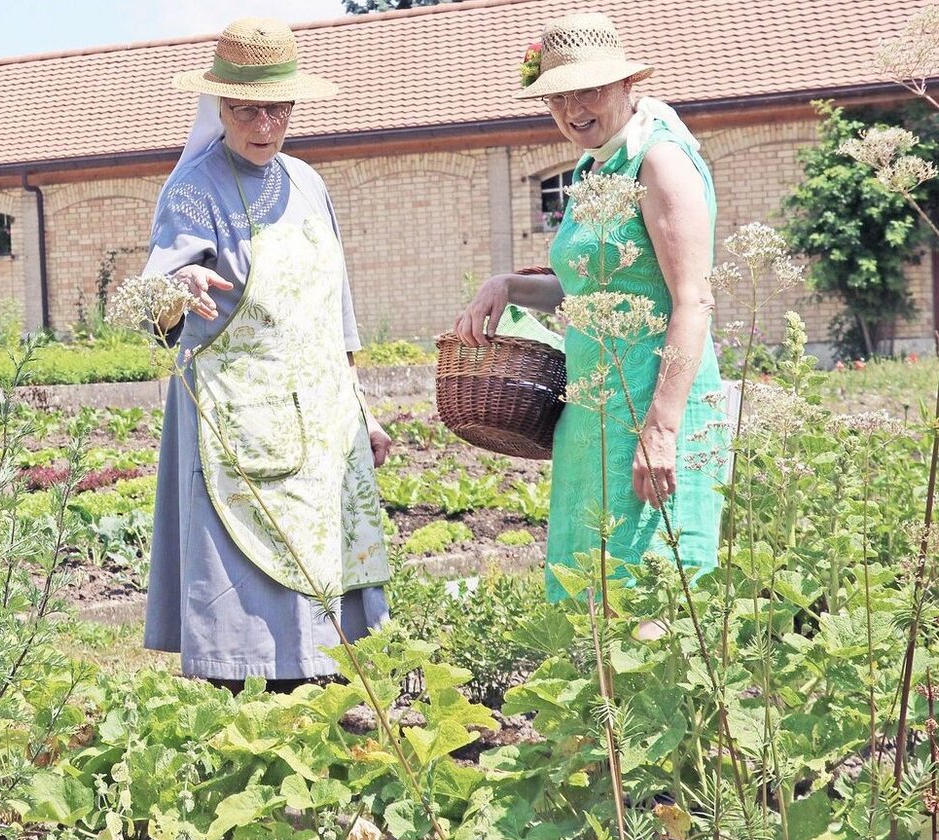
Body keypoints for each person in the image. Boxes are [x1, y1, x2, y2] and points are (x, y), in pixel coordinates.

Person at [140, 18, 392, 692]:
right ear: (218, 106)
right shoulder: (194, 191)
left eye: (278, 107)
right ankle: (253, 715)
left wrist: (362, 413)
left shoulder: (309, 183)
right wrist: (177, 287)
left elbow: (334, 317)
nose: (264, 123)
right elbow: (157, 301)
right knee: (254, 611)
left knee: (331, 606)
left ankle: (328, 711)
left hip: (323, 426)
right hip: (240, 430)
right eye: (247, 109)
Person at [453, 11, 727, 603]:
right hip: (592, 411)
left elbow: (693, 299)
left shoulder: (661, 161)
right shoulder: (593, 166)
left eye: (590, 90)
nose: (573, 108)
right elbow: (586, 286)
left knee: (652, 592)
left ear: (628, 86)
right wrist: (508, 284)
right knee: (589, 600)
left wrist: (662, 429)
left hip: (652, 408)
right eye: (557, 96)